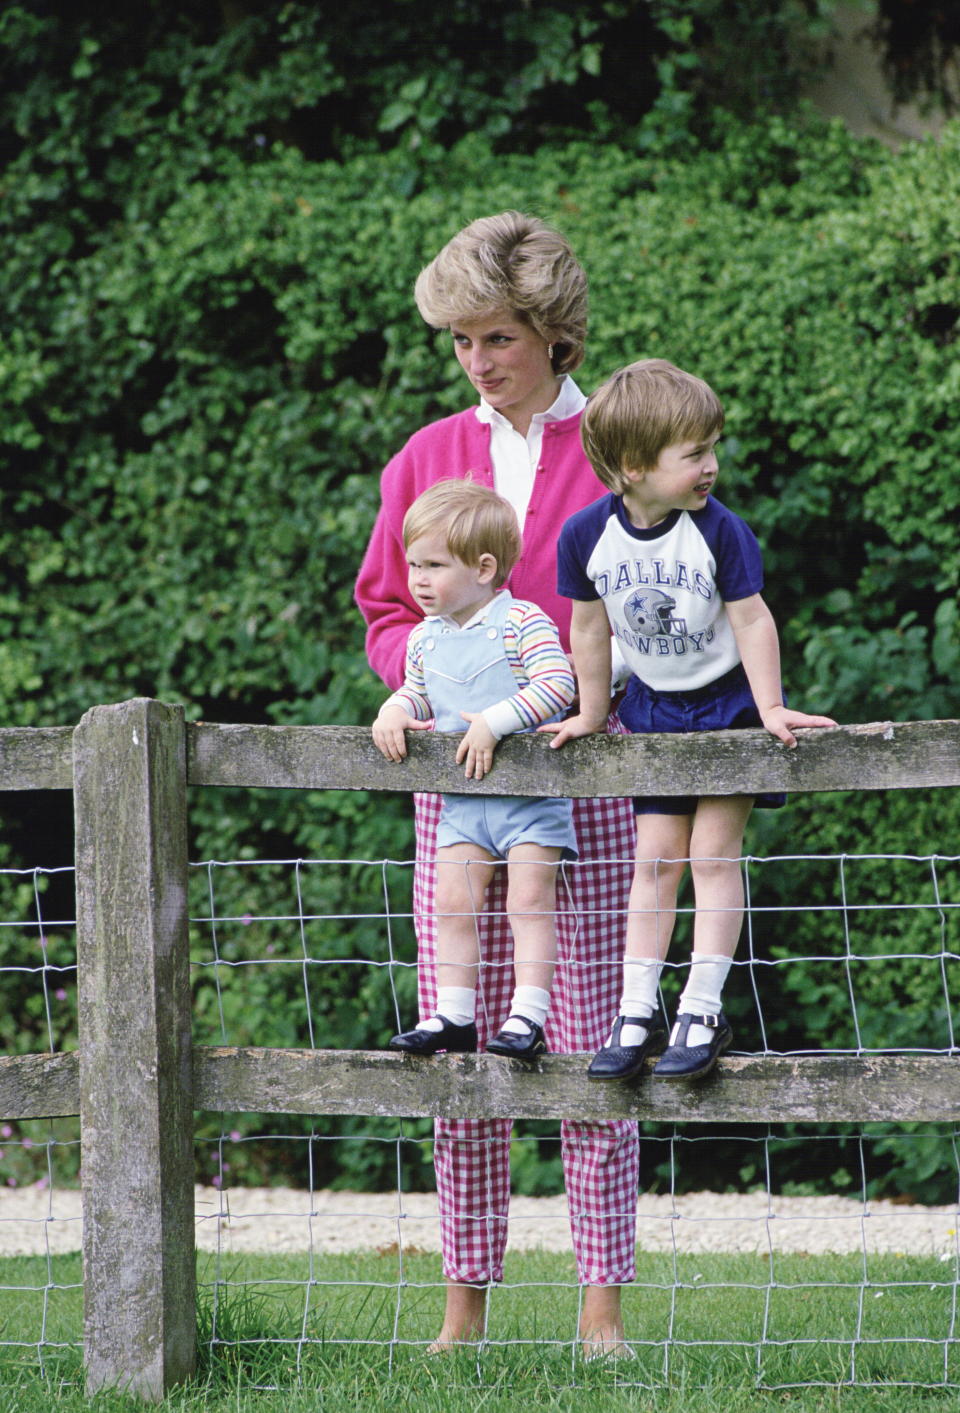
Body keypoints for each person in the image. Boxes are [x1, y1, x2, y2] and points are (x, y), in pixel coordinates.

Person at [356, 212, 639, 1359]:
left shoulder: (621, 443)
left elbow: (672, 589)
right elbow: (385, 607)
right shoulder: (426, 457)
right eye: (462, 338)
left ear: (553, 333)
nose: (477, 359)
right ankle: (462, 1310)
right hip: (463, 792)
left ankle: (601, 1317)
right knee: (464, 1045)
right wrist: (421, 688)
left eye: (497, 335)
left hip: (597, 783)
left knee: (588, 1048)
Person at [548, 359, 836, 1081]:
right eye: (694, 454)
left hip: (726, 703)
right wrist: (589, 710)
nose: (712, 465)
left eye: (713, 447)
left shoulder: (720, 531)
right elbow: (588, 631)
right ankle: (636, 1007)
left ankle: (702, 1006)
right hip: (651, 709)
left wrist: (768, 706)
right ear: (634, 467)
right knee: (653, 862)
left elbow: (752, 618)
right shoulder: (586, 537)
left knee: (711, 854)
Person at [372, 479, 577, 1059]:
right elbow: (418, 695)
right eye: (412, 564)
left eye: (433, 565)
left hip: (529, 804)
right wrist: (393, 709)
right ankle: (454, 1016)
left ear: (485, 567)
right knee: (452, 905)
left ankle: (527, 1017)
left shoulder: (523, 622)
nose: (417, 580)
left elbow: (559, 685)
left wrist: (496, 719)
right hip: (463, 807)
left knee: (528, 904)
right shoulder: (423, 640)